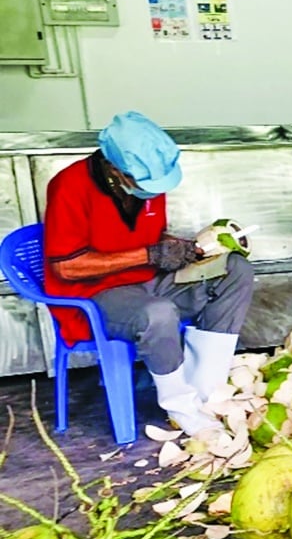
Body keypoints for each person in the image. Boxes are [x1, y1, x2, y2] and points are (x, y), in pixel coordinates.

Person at [43, 112, 255, 436]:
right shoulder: (69, 186)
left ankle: (205, 390)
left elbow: (150, 237)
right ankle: (180, 406)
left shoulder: (148, 184)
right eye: (145, 184)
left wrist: (185, 248)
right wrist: (150, 255)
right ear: (115, 169)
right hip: (96, 295)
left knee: (235, 270)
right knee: (157, 313)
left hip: (150, 279)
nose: (152, 192)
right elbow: (66, 266)